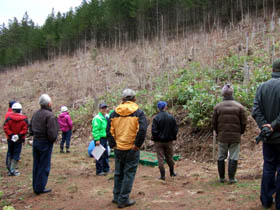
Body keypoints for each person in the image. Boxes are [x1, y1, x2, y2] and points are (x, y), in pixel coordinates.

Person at [107, 88, 147, 208]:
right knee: (128, 174)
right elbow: (143, 130)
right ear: (134, 99)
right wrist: (137, 145)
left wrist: (113, 145)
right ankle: (123, 199)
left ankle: (116, 196)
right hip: (131, 149)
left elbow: (109, 131)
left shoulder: (113, 113)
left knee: (118, 173)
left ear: (122, 99)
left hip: (118, 148)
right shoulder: (139, 113)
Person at [252, 59, 280, 209]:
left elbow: (255, 111)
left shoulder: (261, 87)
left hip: (268, 138)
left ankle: (266, 200)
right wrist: (273, 126)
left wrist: (265, 128)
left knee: (269, 167)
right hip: (276, 135)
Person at [212, 84, 247, 184]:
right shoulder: (239, 107)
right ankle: (232, 178)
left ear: (223, 94)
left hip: (222, 136)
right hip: (235, 136)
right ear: (232, 93)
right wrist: (241, 132)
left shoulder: (217, 107)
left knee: (221, 156)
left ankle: (222, 178)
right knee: (234, 156)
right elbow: (244, 122)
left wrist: (218, 132)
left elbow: (214, 123)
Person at [29, 94, 59, 195]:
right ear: (49, 104)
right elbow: (52, 132)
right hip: (45, 142)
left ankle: (36, 186)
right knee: (44, 165)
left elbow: (30, 127)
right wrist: (52, 140)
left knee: (36, 164)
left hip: (36, 141)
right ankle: (40, 188)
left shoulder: (35, 114)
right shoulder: (50, 115)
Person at [152, 101, 178, 180]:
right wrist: (173, 137)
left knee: (160, 158)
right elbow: (175, 129)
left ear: (158, 108)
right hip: (169, 141)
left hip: (159, 142)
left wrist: (156, 138)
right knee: (169, 157)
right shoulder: (171, 117)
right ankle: (172, 172)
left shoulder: (156, 118)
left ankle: (162, 176)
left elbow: (154, 131)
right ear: (165, 107)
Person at [3, 102, 28, 176]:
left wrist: (11, 135)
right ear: (20, 110)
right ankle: (13, 170)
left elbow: (5, 127)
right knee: (16, 153)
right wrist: (19, 135)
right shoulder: (24, 119)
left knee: (10, 152)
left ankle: (9, 169)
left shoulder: (9, 118)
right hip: (19, 139)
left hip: (10, 139)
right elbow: (25, 129)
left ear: (13, 110)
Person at [92, 103, 110, 176]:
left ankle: (106, 169)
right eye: (103, 108)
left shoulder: (107, 116)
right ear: (100, 109)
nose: (104, 109)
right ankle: (99, 171)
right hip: (100, 138)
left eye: (105, 108)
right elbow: (95, 129)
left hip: (105, 138)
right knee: (99, 155)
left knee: (105, 154)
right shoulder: (97, 118)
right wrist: (97, 139)